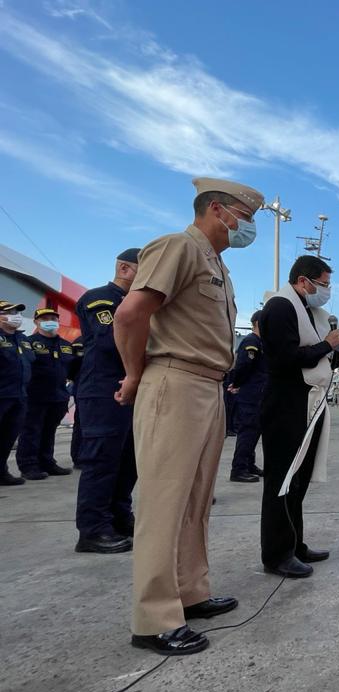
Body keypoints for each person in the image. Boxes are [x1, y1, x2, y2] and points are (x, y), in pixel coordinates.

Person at [113, 177, 264, 655]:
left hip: (208, 385)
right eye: (246, 214)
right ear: (217, 209)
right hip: (174, 379)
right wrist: (134, 374)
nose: (249, 225)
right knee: (164, 502)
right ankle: (153, 618)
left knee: (196, 500)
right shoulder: (177, 246)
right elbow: (130, 315)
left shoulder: (217, 264)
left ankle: (190, 592)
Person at [259, 255, 339, 578]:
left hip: (311, 404)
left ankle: (294, 543)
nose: (327, 290)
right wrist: (325, 345)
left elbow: (324, 364)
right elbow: (284, 360)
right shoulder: (280, 307)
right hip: (287, 404)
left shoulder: (311, 312)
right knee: (281, 480)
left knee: (299, 481)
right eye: (323, 283)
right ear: (304, 281)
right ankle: (276, 554)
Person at [73, 248, 140, 554]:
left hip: (129, 388)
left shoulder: (138, 303)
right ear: (125, 268)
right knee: (101, 461)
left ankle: (118, 516)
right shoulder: (100, 298)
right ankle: (92, 529)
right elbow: (110, 340)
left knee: (128, 459)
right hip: (103, 390)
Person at [16, 308, 75, 480]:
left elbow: (71, 369)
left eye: (53, 318)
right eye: (44, 318)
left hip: (58, 396)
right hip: (35, 396)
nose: (49, 321)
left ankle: (47, 462)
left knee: (49, 432)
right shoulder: (29, 343)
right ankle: (28, 466)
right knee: (31, 432)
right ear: (36, 322)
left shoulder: (65, 345)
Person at [229, 310, 267, 483]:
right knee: (247, 432)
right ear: (258, 323)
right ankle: (239, 469)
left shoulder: (260, 342)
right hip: (250, 396)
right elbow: (243, 365)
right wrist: (236, 383)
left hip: (256, 396)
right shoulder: (251, 341)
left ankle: (249, 464)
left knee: (254, 432)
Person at [0, 300, 34, 486]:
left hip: (19, 395)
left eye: (16, 311)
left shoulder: (23, 339)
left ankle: (1, 471)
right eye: (10, 311)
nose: (15, 315)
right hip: (2, 394)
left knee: (8, 436)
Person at [68, 337, 84, 468]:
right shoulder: (79, 342)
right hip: (84, 387)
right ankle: (79, 457)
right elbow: (71, 367)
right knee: (81, 425)